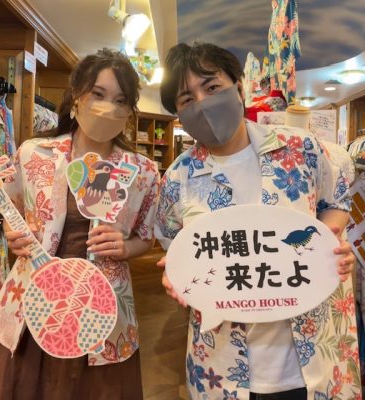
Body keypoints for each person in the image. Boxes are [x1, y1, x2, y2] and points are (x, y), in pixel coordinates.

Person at [154, 42, 360, 400]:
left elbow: (336, 201)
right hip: (223, 366)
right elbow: (175, 249)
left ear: (239, 88)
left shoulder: (302, 148)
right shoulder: (177, 179)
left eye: (212, 87)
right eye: (187, 99)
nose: (202, 103)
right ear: (178, 113)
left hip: (316, 353)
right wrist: (176, 276)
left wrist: (331, 242)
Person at [0, 49, 160, 400]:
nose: (108, 107)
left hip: (102, 306)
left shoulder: (143, 172)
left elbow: (147, 238)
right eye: (98, 94)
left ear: (129, 110)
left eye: (120, 100)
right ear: (77, 95)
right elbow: (9, 211)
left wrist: (126, 247)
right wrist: (13, 235)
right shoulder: (34, 153)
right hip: (35, 298)